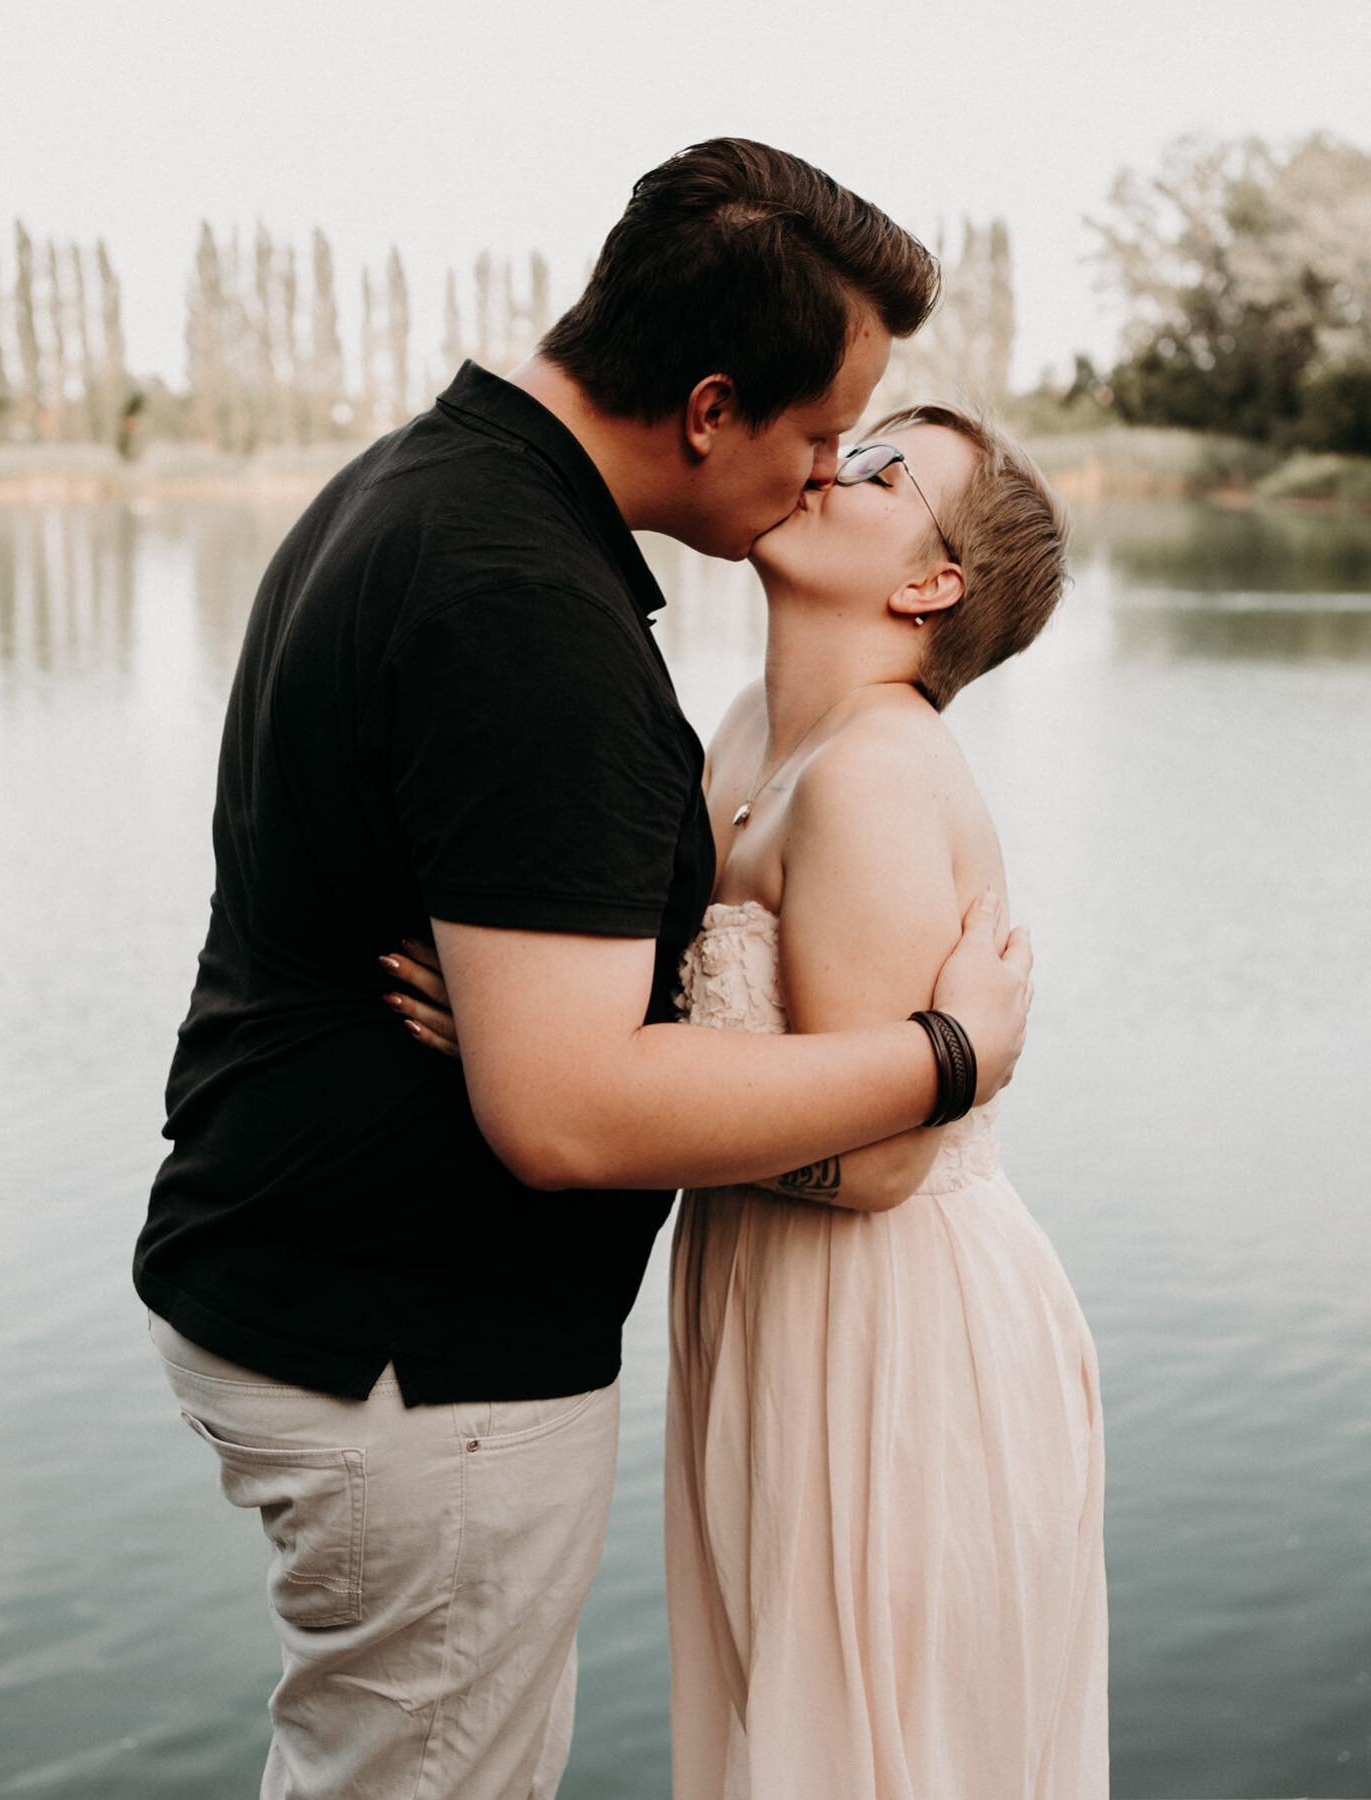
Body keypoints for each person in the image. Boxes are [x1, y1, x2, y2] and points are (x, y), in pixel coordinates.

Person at [134, 139, 1034, 1800]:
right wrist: (951, 1053)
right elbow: (562, 1114)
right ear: (708, 408)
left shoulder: (426, 486)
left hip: (324, 1293)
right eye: (823, 431)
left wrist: (544, 1014)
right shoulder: (527, 605)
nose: (826, 469)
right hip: (414, 1358)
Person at [400, 407, 1106, 1798]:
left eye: (880, 468)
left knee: (860, 1747)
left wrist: (565, 1102)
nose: (828, 464)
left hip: (896, 1329)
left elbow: (883, 1166)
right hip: (772, 1307)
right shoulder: (743, 732)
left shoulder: (876, 777)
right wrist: (532, 1028)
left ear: (931, 585)